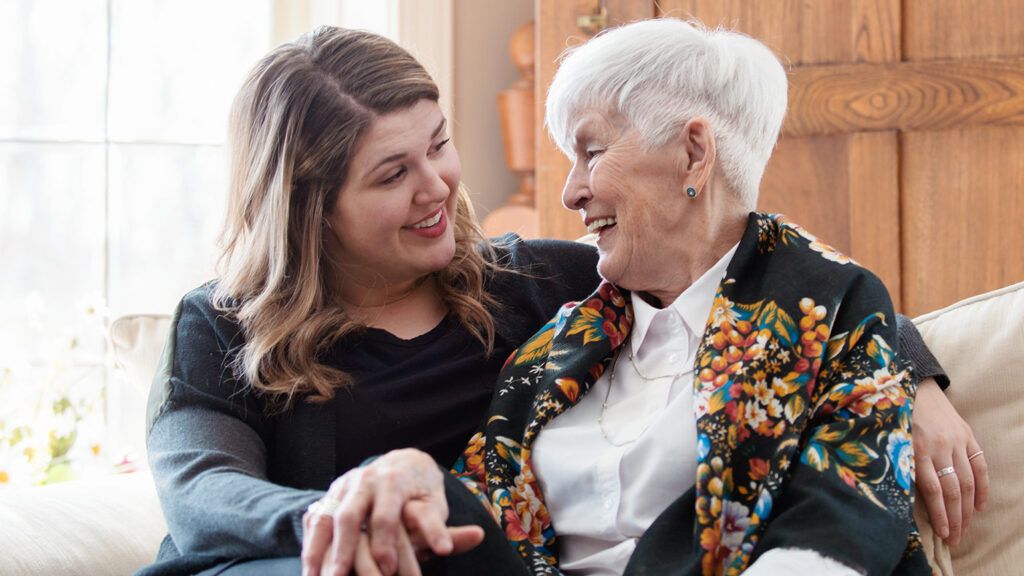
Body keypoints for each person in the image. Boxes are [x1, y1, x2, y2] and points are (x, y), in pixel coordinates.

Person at [140, 25, 979, 576]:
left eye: (438, 146)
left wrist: (912, 372)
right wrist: (356, 514)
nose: (437, 188)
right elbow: (204, 493)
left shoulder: (529, 283)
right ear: (309, 207)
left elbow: (744, 260)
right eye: (393, 175)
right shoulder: (219, 323)